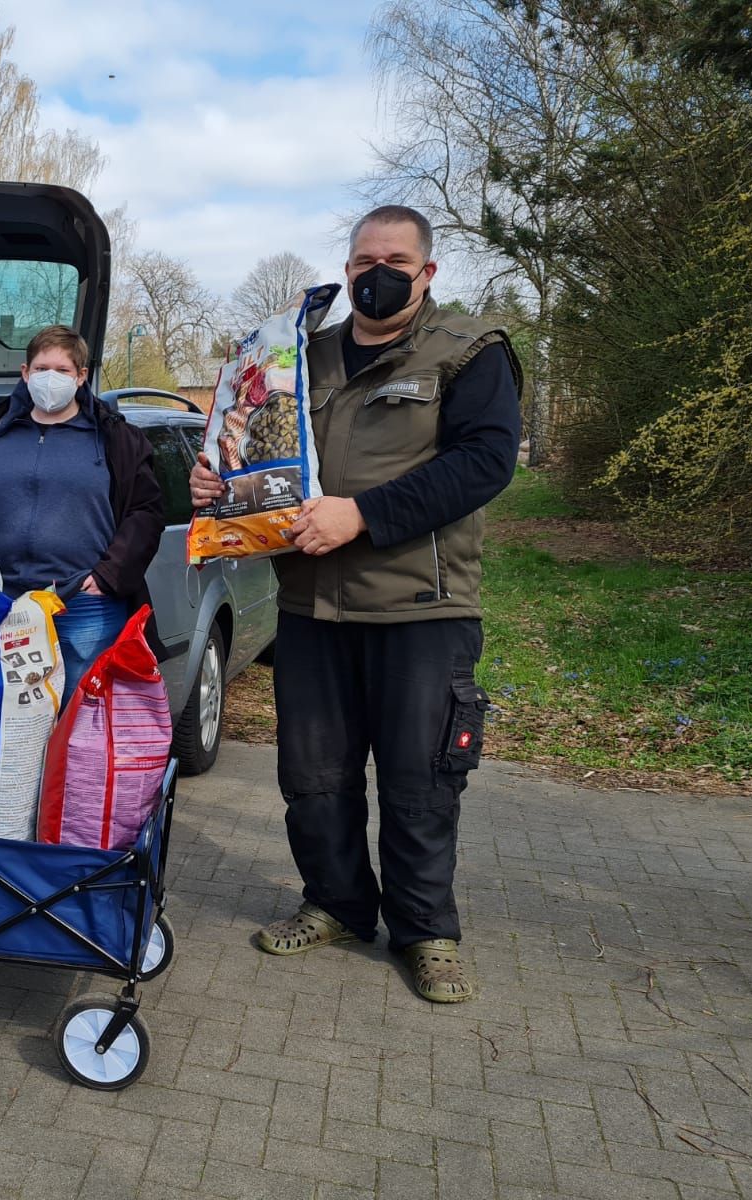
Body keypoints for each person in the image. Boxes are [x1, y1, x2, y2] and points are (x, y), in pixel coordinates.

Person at [190, 206, 521, 1003]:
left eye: (396, 261)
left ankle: (425, 931)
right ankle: (336, 904)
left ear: (427, 272)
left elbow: (484, 462)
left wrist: (363, 515)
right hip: (312, 609)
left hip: (421, 607)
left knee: (420, 781)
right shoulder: (302, 359)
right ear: (346, 267)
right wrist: (217, 484)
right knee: (314, 776)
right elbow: (262, 453)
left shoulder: (469, 350)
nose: (379, 274)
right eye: (365, 260)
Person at [0, 324, 163, 698]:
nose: (51, 378)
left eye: (62, 370)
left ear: (81, 376)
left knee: (77, 717)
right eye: (42, 368)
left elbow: (146, 511)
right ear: (25, 373)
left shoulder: (114, 437)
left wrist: (108, 576)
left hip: (81, 603)